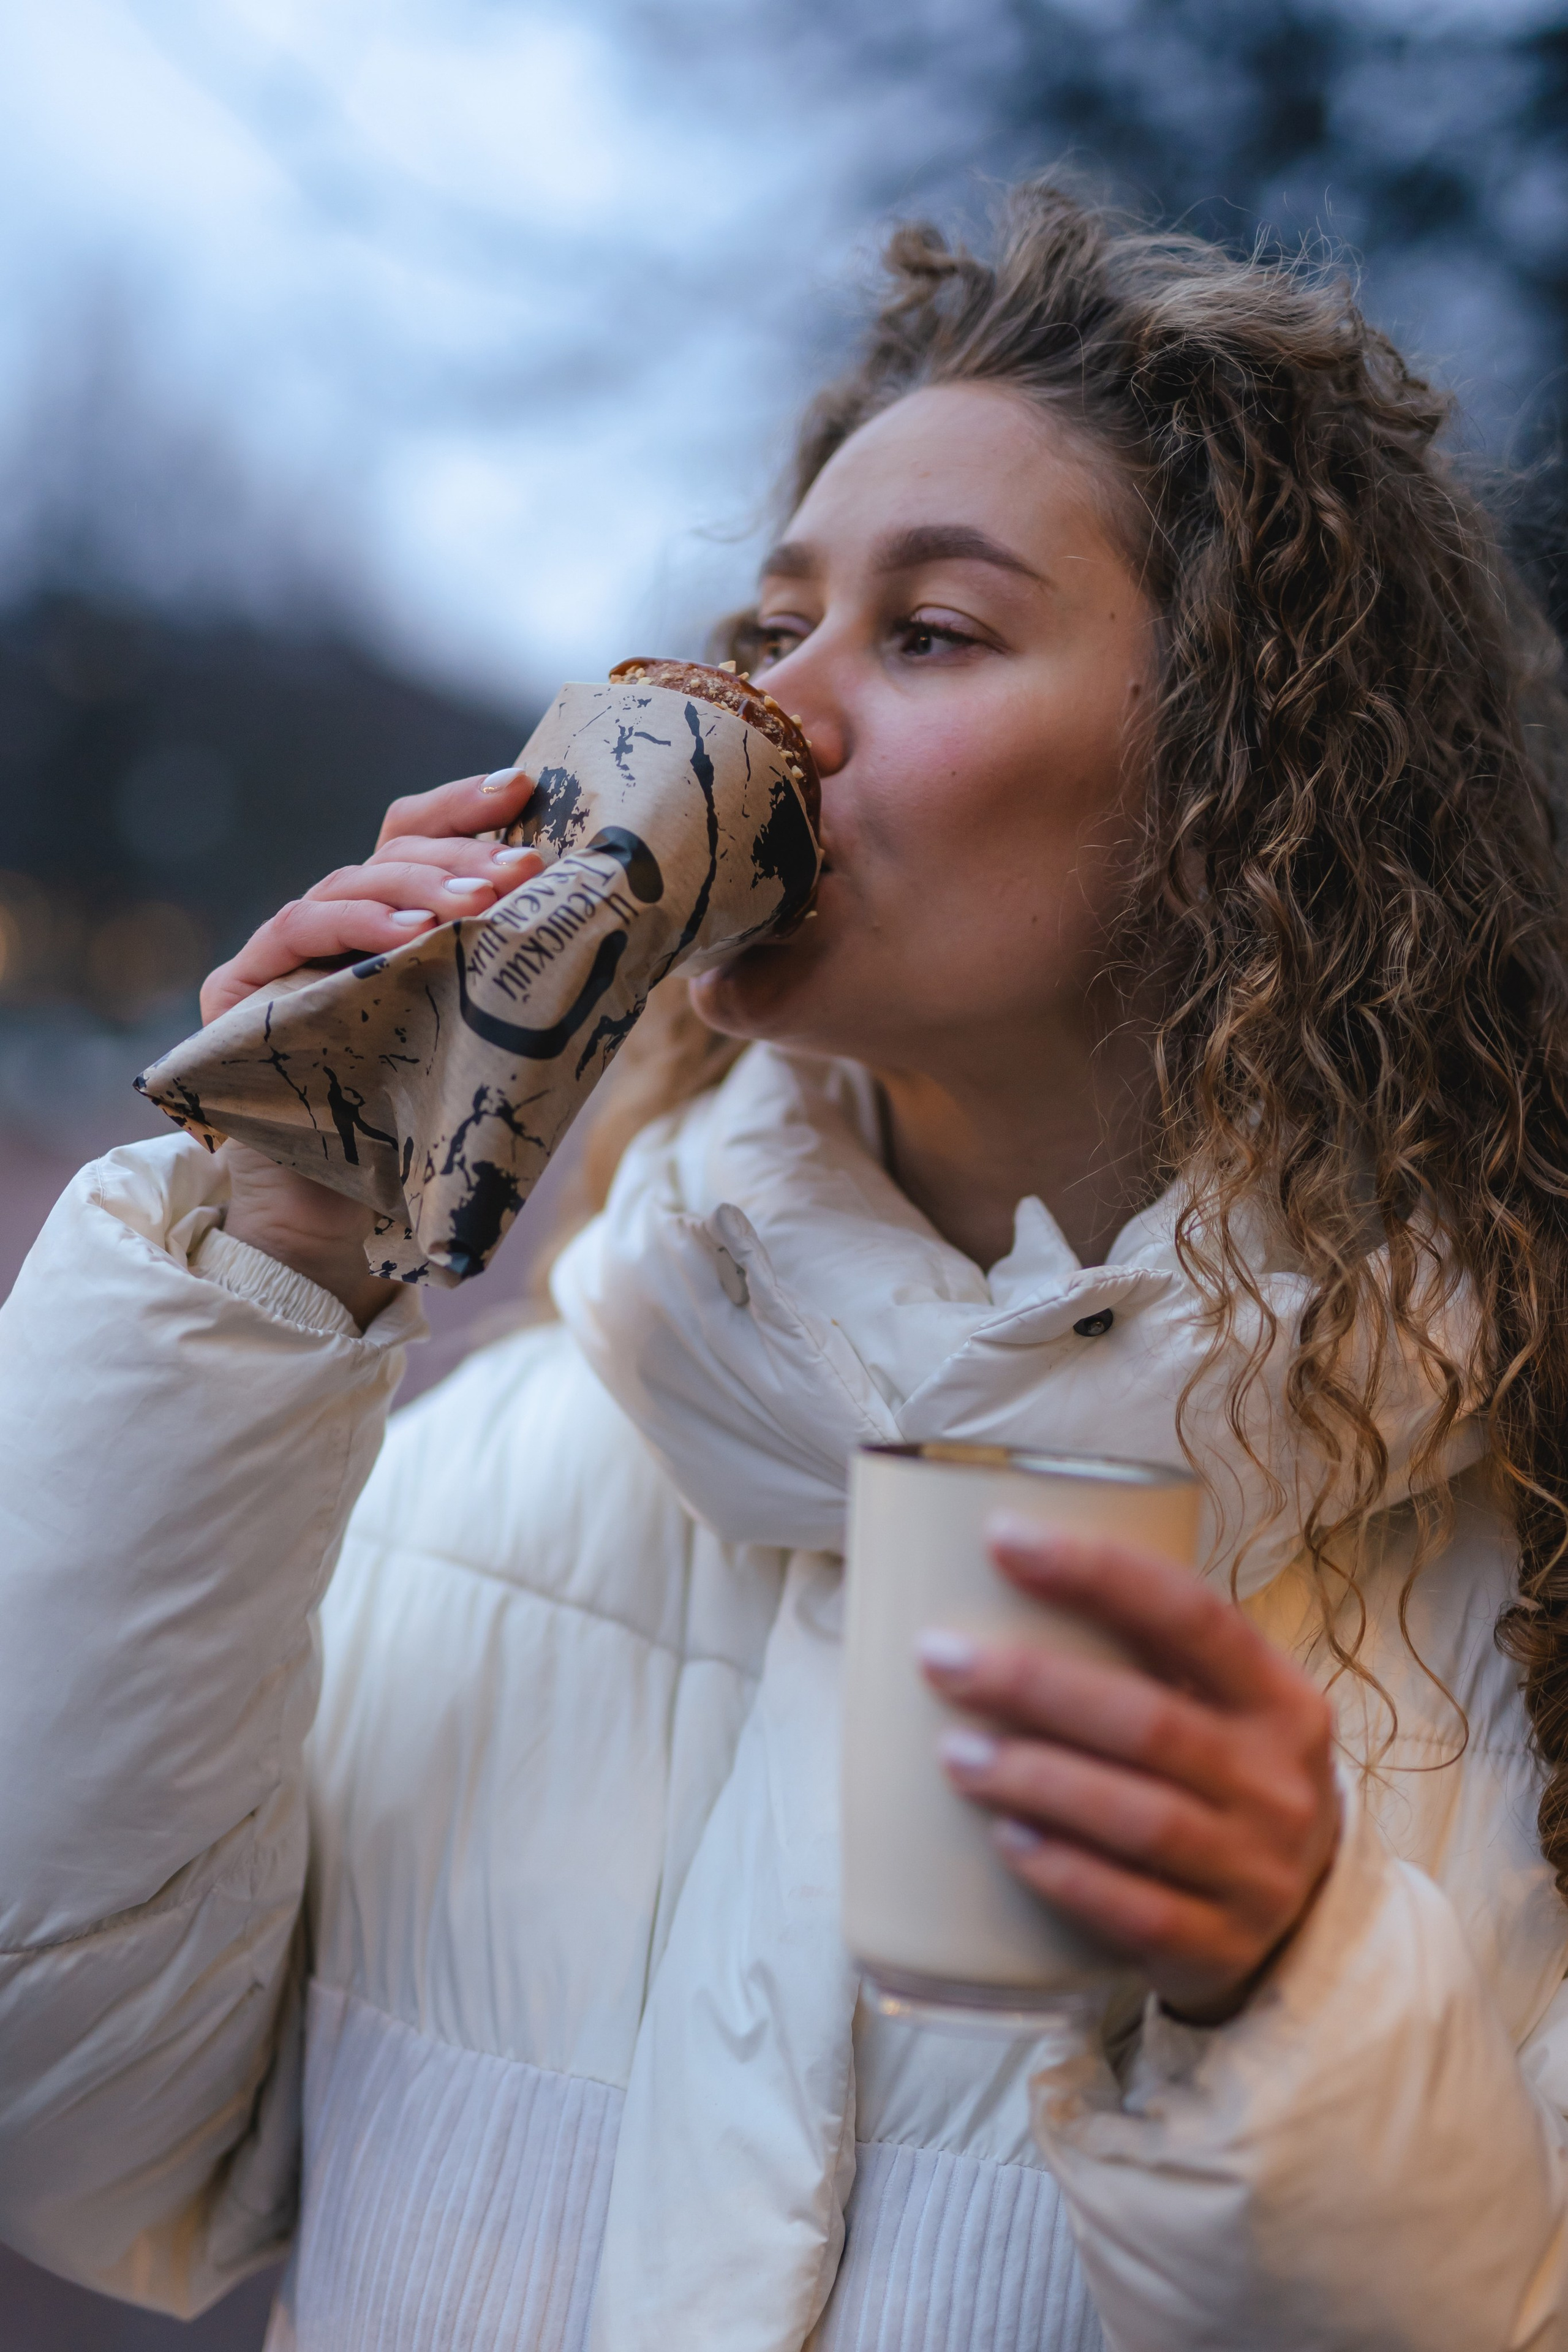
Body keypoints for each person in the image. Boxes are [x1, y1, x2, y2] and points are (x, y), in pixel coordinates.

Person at [2, 179, 1567, 2352]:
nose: (767, 716)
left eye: (928, 633)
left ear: (1248, 779)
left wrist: (1286, 2004)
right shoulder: (518, 1453)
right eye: (767, 631)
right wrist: (254, 1266)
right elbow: (75, 2142)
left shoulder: (1524, 1574)